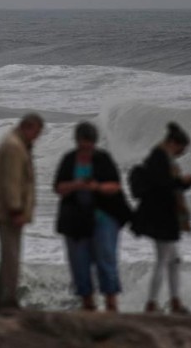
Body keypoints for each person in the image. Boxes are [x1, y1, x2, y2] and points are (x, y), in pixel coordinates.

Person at [54, 122, 132, 312]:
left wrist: (96, 187)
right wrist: (76, 185)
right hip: (76, 218)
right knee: (79, 262)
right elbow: (59, 187)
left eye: (89, 142)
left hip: (103, 216)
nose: (86, 146)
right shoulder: (69, 159)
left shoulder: (103, 159)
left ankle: (111, 303)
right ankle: (87, 304)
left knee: (106, 258)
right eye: (83, 142)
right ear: (77, 141)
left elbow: (115, 186)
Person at [132, 122, 191, 314]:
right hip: (161, 218)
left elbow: (168, 184)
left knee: (172, 261)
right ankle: (153, 303)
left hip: (162, 216)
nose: (181, 154)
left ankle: (173, 302)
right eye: (181, 149)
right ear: (172, 143)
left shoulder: (161, 158)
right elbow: (164, 186)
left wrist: (184, 183)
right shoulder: (159, 158)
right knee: (164, 261)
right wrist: (183, 181)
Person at [0, 113, 45, 311]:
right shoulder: (13, 146)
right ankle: (8, 301)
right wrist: (16, 209)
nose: (37, 137)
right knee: (11, 256)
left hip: (7, 210)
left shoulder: (15, 143)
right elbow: (11, 182)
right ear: (29, 127)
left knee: (7, 256)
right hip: (9, 212)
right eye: (37, 133)